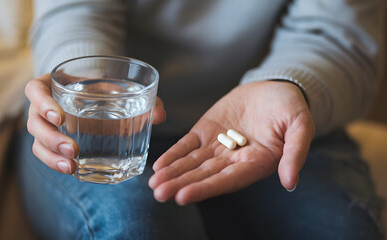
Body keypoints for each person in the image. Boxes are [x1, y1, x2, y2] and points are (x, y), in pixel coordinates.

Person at [21, 0, 385, 239]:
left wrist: (288, 83)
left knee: (343, 230)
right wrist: (83, 87)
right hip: (113, 130)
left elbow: (337, 33)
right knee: (133, 228)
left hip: (277, 117)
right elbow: (76, 10)